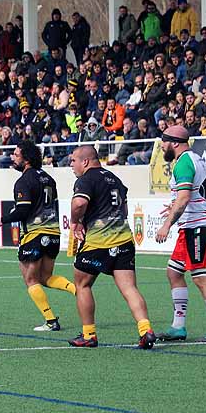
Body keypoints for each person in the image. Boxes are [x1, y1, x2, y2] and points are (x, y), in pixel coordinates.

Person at [67, 145, 156, 349]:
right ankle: (146, 330)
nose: (71, 165)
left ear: (85, 161)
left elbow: (79, 204)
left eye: (74, 161)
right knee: (129, 288)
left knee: (82, 284)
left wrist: (75, 221)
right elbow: (123, 208)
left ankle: (89, 334)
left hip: (98, 242)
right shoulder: (115, 179)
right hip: (124, 240)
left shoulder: (86, 179)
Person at [152, 125, 206, 342]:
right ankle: (178, 326)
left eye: (164, 142)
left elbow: (185, 198)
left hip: (198, 227)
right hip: (191, 227)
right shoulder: (194, 158)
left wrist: (166, 225)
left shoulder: (184, 162)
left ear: (174, 143)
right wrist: (174, 207)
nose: (162, 147)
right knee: (174, 272)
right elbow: (189, 196)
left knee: (201, 277)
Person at [0, 141, 76, 331]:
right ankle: (77, 289)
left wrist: (1, 220)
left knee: (31, 280)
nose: (13, 157)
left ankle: (51, 321)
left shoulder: (24, 181)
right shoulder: (48, 179)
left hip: (34, 234)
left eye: (16, 154)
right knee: (46, 277)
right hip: (53, 232)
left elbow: (23, 210)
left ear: (26, 159)